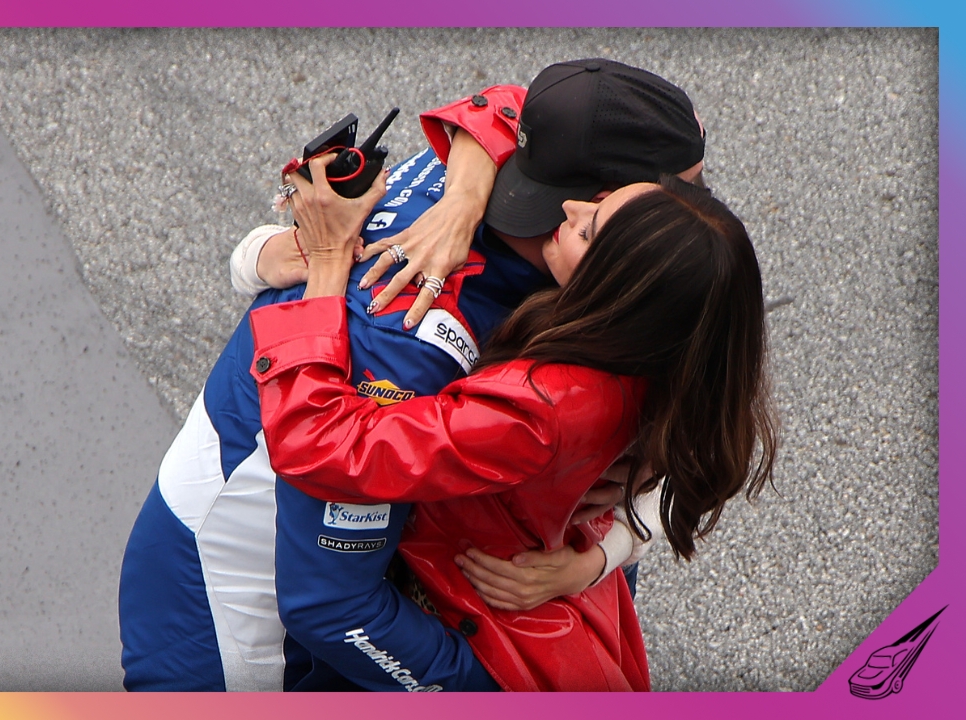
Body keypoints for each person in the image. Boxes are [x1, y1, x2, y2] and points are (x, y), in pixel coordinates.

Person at [119, 59, 705, 691]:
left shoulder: (524, 166)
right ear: (596, 205)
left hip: (377, 566)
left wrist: (462, 196)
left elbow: (498, 106)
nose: (702, 211)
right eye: (687, 192)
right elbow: (332, 604)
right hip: (230, 614)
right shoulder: (409, 332)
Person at [251, 165, 777, 691]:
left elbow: (321, 444)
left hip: (491, 659)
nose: (570, 208)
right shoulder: (670, 350)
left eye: (589, 228)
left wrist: (325, 264)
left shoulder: (538, 413)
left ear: (616, 293)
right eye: (598, 199)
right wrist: (462, 199)